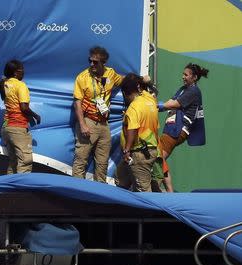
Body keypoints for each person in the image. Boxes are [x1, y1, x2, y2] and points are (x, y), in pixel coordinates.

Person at [72, 46, 150, 183]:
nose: (92, 64)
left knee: (102, 162)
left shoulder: (110, 73)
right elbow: (77, 103)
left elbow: (124, 80)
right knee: (81, 160)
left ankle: (100, 195)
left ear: (104, 62)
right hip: (88, 122)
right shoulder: (82, 77)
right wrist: (83, 125)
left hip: (104, 124)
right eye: (90, 61)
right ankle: (76, 194)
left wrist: (141, 79)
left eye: (95, 62)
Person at [158, 63, 209, 191]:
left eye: (186, 75)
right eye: (183, 74)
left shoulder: (193, 91)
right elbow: (169, 102)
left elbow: (173, 104)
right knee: (158, 158)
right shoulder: (183, 89)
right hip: (172, 128)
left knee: (158, 159)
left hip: (178, 130)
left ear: (194, 77)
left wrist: (153, 106)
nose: (183, 77)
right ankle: (167, 192)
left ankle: (163, 191)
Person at [0, 60, 41, 174]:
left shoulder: (4, 84)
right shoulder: (21, 85)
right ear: (16, 73)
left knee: (14, 162)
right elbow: (24, 108)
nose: (24, 73)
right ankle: (22, 190)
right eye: (22, 70)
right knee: (25, 162)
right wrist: (36, 115)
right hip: (18, 127)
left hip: (6, 129)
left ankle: (10, 189)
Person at [115, 74, 160, 192]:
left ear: (125, 93)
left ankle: (150, 209)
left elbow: (133, 129)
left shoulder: (134, 107)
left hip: (138, 153)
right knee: (121, 179)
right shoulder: (149, 99)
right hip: (150, 150)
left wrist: (127, 150)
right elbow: (145, 85)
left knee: (143, 190)